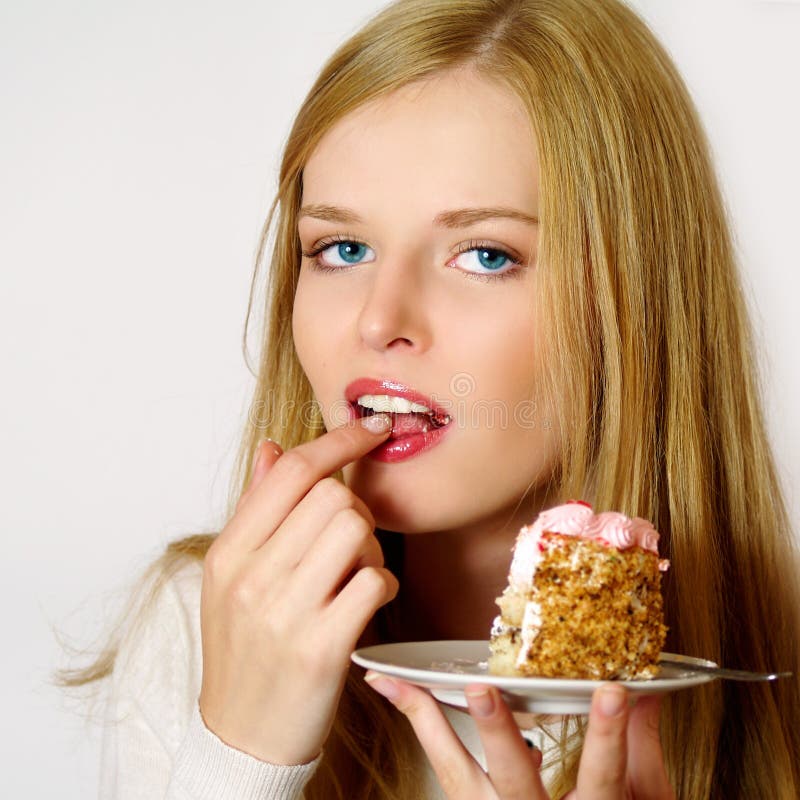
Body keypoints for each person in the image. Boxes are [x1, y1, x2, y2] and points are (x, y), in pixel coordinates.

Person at [65, 0, 800, 797]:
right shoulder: (203, 631)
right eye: (341, 249)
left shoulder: (779, 677)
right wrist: (239, 758)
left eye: (484, 254)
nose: (380, 320)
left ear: (639, 305)